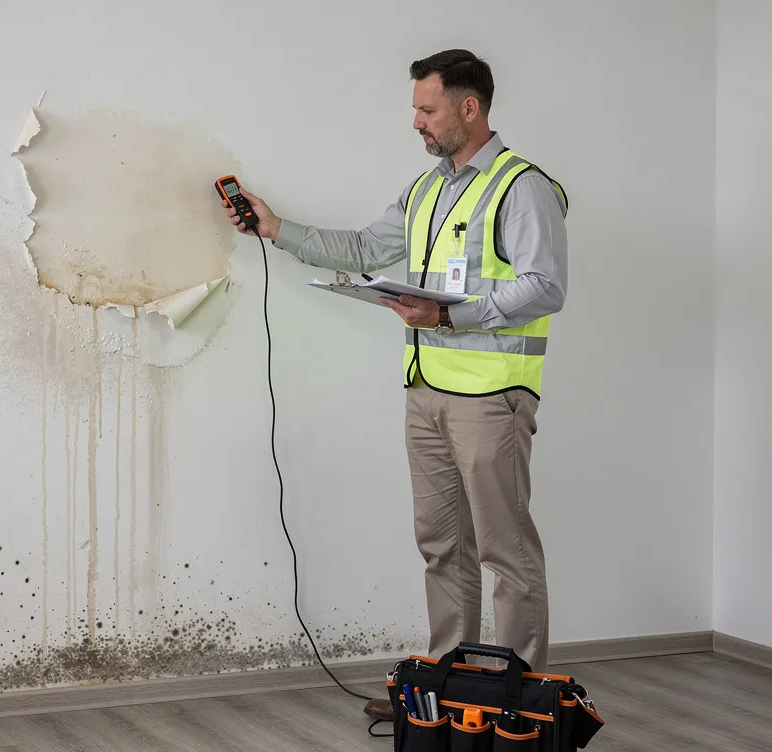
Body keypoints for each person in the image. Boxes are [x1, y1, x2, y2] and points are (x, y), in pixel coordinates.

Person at [222, 49, 569, 721]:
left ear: (470, 108)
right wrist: (274, 227)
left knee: (506, 553)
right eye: (416, 109)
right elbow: (362, 250)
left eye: (428, 109)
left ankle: (515, 703)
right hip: (427, 391)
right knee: (442, 548)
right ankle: (446, 691)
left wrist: (448, 313)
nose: (417, 122)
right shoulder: (428, 189)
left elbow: (545, 286)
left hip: (492, 399)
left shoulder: (521, 186)